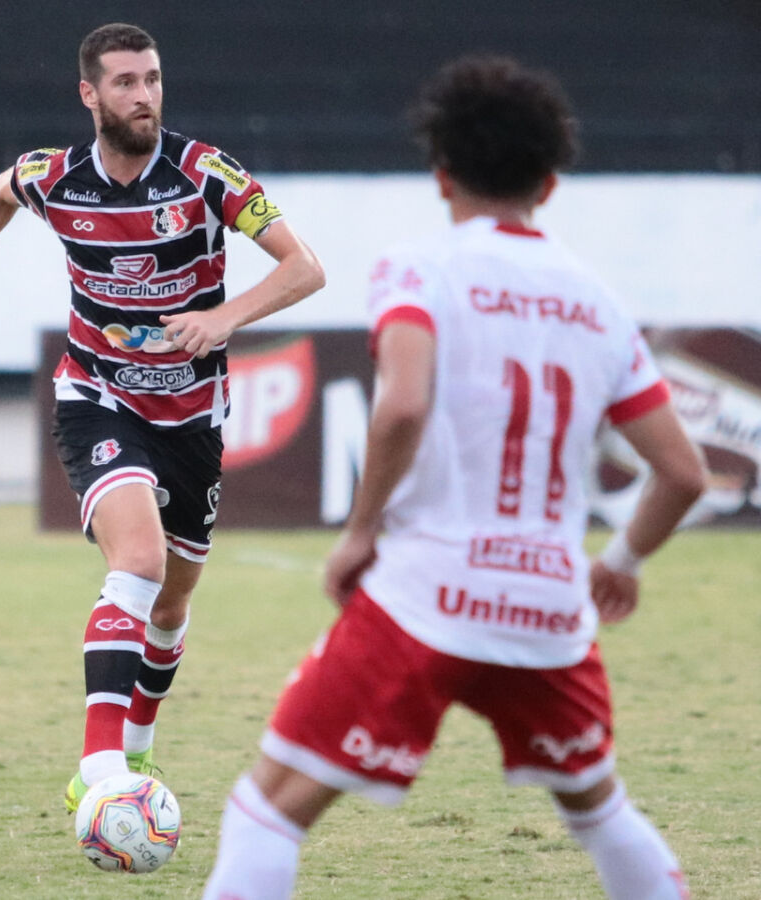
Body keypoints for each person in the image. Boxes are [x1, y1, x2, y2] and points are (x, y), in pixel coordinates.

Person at [201, 55, 706, 900]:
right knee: (599, 809)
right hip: (548, 604)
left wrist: (360, 532)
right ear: (549, 184)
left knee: (268, 812)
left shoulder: (420, 268)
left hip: (427, 592)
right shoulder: (599, 304)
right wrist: (620, 564)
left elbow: (402, 407)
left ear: (442, 176)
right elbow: (684, 473)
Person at [0, 22, 324, 813]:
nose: (145, 96)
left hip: (194, 416)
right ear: (90, 94)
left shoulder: (206, 174)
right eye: (127, 83)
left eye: (154, 80)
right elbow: (1, 193)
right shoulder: (55, 176)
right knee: (137, 563)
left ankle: (137, 748)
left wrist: (226, 316)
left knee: (171, 606)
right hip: (97, 396)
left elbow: (306, 267)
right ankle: (99, 772)